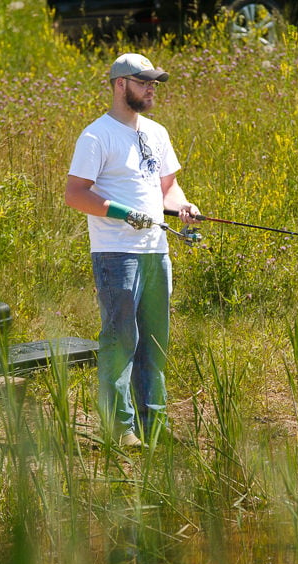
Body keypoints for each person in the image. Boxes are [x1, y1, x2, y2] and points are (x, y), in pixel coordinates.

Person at [65, 53, 200, 449]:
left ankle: (153, 425)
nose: (151, 89)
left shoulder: (156, 132)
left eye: (154, 83)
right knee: (121, 340)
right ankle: (121, 430)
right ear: (120, 84)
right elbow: (75, 194)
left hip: (156, 251)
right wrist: (124, 214)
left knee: (154, 341)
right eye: (144, 82)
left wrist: (184, 207)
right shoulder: (96, 136)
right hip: (115, 254)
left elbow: (167, 189)